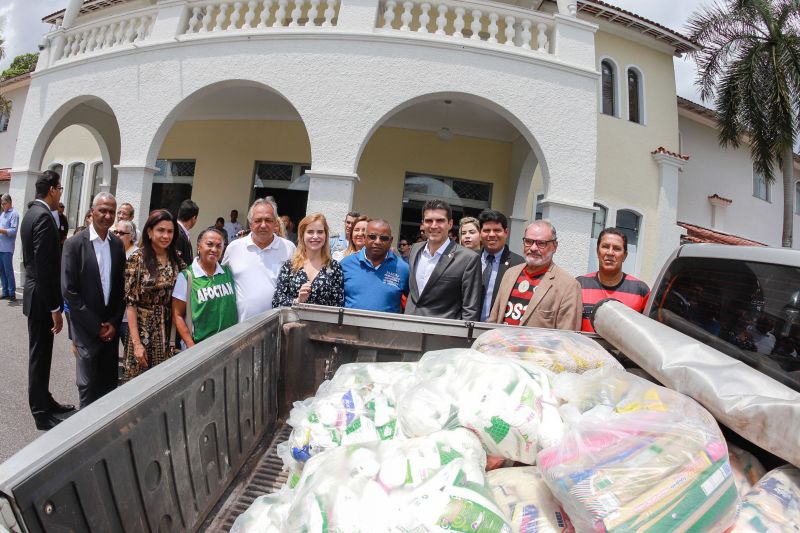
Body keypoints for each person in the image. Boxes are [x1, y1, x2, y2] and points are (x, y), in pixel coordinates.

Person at [21, 170, 75, 430]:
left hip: (36, 295)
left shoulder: (31, 212)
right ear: (52, 189)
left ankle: (45, 399)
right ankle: (40, 413)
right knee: (39, 356)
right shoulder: (42, 216)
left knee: (43, 355)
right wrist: (55, 307)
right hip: (42, 299)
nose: (60, 194)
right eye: (61, 189)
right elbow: (44, 267)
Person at [61, 192, 126, 408]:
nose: (107, 216)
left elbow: (120, 290)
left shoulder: (117, 245)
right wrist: (95, 326)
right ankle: (84, 439)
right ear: (92, 212)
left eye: (111, 212)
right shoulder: (74, 244)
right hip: (86, 331)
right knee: (87, 389)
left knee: (108, 387)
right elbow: (69, 291)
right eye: (103, 210)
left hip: (110, 331)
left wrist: (113, 323)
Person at [122, 209, 185, 382]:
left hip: (169, 331)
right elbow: (131, 304)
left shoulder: (177, 259)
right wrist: (136, 344)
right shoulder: (137, 259)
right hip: (143, 331)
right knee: (138, 384)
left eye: (170, 231)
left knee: (163, 383)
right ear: (149, 232)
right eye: (161, 230)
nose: (166, 235)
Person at [489, 220, 582, 330]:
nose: (533, 248)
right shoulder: (510, 274)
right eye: (528, 241)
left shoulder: (568, 286)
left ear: (555, 246)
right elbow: (493, 320)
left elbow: (567, 337)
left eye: (541, 243)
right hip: (501, 345)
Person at [405, 199, 482, 320]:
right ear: (422, 224)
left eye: (440, 220)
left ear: (450, 224)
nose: (434, 226)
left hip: (442, 333)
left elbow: (470, 309)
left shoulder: (468, 259)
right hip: (409, 327)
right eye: (429, 221)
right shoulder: (415, 249)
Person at [222, 198, 296, 321]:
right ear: (250, 224)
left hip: (276, 328)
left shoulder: (289, 248)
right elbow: (222, 283)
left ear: (275, 223)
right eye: (258, 220)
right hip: (239, 328)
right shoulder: (234, 248)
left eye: (268, 220)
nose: (263, 225)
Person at [172, 228, 238, 348]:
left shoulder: (228, 272)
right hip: (201, 347)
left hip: (229, 343)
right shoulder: (187, 277)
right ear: (199, 247)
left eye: (219, 246)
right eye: (209, 244)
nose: (214, 249)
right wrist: (191, 345)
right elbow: (177, 315)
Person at [577, 227, 650, 333]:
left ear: (625, 256)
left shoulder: (640, 290)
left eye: (616, 248)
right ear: (597, 252)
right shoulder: (579, 285)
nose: (610, 253)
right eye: (605, 247)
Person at [272, 213, 344, 308]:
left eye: (320, 232)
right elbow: (276, 301)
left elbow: (338, 305)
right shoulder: (290, 266)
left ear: (326, 235)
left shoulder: (334, 267)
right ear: (302, 235)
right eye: (310, 232)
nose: (315, 236)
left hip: (323, 322)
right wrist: (298, 300)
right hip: (293, 322)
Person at [341, 219, 409, 313]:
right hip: (350, 327)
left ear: (391, 240)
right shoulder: (346, 264)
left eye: (383, 238)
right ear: (364, 238)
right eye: (372, 237)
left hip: (387, 327)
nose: (377, 242)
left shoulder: (403, 269)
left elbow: (412, 303)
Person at [478, 209, 524, 322]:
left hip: (499, 331)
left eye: (497, 230)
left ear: (506, 233)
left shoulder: (518, 264)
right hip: (468, 328)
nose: (492, 235)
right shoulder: (470, 259)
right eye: (487, 230)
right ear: (480, 233)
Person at [114, 219, 138, 358]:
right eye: (115, 232)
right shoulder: (111, 250)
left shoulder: (137, 255)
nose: (117, 235)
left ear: (132, 236)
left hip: (127, 316)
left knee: (130, 354)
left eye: (122, 233)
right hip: (112, 314)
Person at [0, 194, 19, 302]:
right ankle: (5, 291)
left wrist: (1, 230)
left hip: (7, 248)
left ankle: (12, 293)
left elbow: (13, 231)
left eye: (4, 203)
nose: (2, 206)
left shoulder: (14, 214)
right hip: (0, 246)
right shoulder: (2, 214)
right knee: (1, 271)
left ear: (9, 202)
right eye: (1, 204)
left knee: (8, 271)